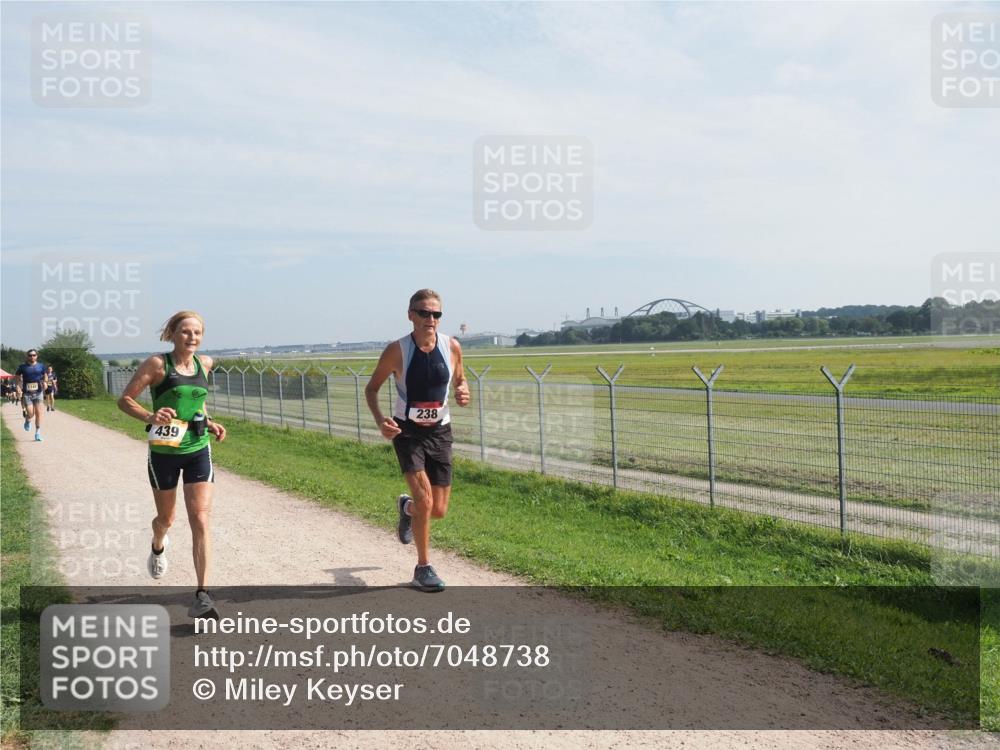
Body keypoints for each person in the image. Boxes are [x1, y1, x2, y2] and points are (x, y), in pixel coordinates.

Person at [117, 311, 227, 619]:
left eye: (197, 332)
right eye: (185, 332)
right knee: (167, 517)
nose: (191, 337)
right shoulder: (157, 364)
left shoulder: (204, 364)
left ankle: (203, 595)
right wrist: (150, 417)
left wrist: (209, 422)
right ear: (172, 333)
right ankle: (158, 542)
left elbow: (197, 402)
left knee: (201, 518)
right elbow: (126, 400)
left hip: (197, 448)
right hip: (164, 452)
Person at [365, 289, 471, 592]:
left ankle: (407, 508)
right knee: (426, 500)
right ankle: (423, 567)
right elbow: (371, 389)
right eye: (424, 313)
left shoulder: (452, 347)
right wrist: (380, 420)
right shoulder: (396, 351)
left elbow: (460, 380)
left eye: (436, 314)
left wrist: (464, 392)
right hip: (407, 432)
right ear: (410, 314)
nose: (430, 319)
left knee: (437, 510)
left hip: (440, 431)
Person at [15, 349, 48, 441]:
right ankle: (27, 420)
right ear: (27, 356)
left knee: (38, 414)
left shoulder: (41, 366)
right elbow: (17, 377)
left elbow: (45, 375)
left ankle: (37, 433)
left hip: (38, 393)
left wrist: (45, 382)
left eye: (34, 355)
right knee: (30, 413)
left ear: (37, 356)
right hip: (27, 393)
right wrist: (17, 386)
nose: (32, 357)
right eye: (30, 355)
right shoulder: (22, 367)